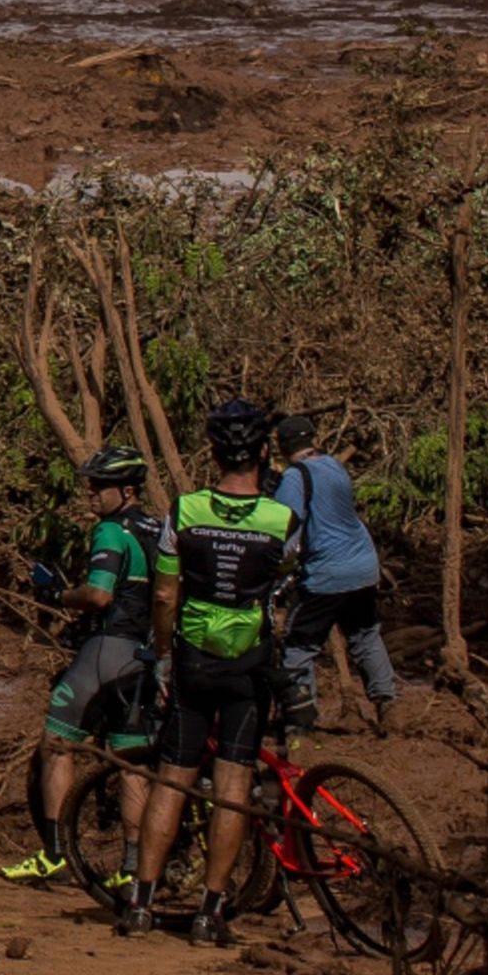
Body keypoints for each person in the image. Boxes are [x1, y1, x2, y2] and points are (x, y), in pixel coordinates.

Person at [125, 404, 300, 947]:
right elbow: (286, 588)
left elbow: (163, 593)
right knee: (233, 784)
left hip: (192, 663)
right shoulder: (282, 521)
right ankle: (209, 913)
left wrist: (163, 653)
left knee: (173, 777)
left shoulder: (186, 511)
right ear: (265, 454)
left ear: (214, 454)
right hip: (247, 668)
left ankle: (141, 905)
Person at [6, 441, 167, 890]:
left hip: (107, 651)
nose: (91, 492)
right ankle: (133, 867)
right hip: (144, 657)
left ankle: (56, 854)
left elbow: (98, 595)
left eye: (101, 485)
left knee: (57, 743)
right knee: (131, 761)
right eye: (90, 484)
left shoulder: (112, 532)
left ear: (129, 490)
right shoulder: (158, 529)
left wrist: (58, 595)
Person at [271, 411, 397, 738]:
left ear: (282, 447)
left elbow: (286, 530)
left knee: (299, 643)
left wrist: (275, 571)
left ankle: (301, 718)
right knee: (365, 634)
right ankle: (388, 705)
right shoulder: (333, 466)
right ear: (313, 440)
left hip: (328, 573)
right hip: (363, 565)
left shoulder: (295, 478)